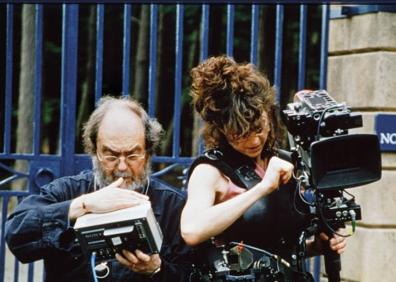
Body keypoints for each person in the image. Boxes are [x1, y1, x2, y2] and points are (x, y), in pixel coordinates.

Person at [180, 56, 346, 280]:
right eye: (239, 135)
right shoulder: (211, 171)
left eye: (259, 128)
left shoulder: (285, 161)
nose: (254, 141)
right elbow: (191, 230)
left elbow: (279, 250)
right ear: (221, 130)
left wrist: (316, 246)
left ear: (269, 115)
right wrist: (261, 188)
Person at [6, 96, 193, 282]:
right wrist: (82, 205)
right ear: (94, 151)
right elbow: (16, 235)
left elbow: (193, 273)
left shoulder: (172, 205)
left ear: (148, 152)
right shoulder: (67, 191)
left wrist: (157, 269)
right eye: (111, 155)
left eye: (132, 155)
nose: (121, 167)